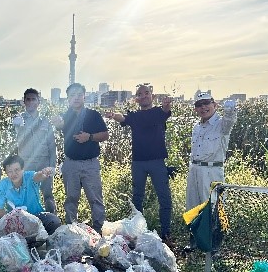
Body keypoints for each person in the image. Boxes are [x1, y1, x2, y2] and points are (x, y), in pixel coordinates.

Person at [105, 84, 173, 243]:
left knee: (164, 198)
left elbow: (165, 110)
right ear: (136, 99)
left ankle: (166, 233)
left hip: (157, 162)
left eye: (146, 93)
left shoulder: (158, 112)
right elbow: (123, 118)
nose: (143, 96)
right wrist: (113, 115)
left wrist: (167, 104)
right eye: (139, 94)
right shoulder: (134, 116)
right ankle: (136, 233)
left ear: (152, 96)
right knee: (137, 198)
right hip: (138, 163)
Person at [51, 83, 109, 234]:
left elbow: (105, 135)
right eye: (72, 95)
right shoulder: (65, 116)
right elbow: (60, 125)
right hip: (71, 164)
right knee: (71, 199)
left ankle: (98, 230)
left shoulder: (93, 115)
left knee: (95, 199)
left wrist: (89, 137)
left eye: (78, 95)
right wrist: (57, 123)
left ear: (84, 96)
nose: (75, 98)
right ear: (68, 99)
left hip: (91, 164)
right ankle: (73, 231)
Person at [184, 92, 237, 252]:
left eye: (207, 103)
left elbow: (230, 119)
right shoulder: (197, 127)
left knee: (215, 207)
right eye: (199, 105)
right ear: (195, 109)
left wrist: (230, 109)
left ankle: (215, 246)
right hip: (195, 170)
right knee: (193, 206)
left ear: (215, 105)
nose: (203, 107)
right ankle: (194, 241)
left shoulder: (221, 124)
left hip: (212, 171)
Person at [11, 88, 58, 214]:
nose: (31, 102)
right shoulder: (18, 120)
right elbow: (12, 143)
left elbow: (52, 145)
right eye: (28, 99)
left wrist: (53, 165)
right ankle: (29, 224)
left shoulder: (45, 122)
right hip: (26, 164)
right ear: (24, 102)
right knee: (27, 194)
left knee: (48, 194)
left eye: (34, 99)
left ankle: (53, 223)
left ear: (38, 102)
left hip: (44, 163)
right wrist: (15, 127)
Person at [0, 154, 61, 236]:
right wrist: (11, 220)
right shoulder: (3, 184)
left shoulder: (29, 176)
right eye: (10, 171)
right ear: (6, 173)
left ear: (22, 169)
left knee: (54, 221)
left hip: (36, 217)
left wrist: (43, 173)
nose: (14, 174)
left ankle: (43, 240)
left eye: (17, 170)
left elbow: (38, 176)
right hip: (14, 221)